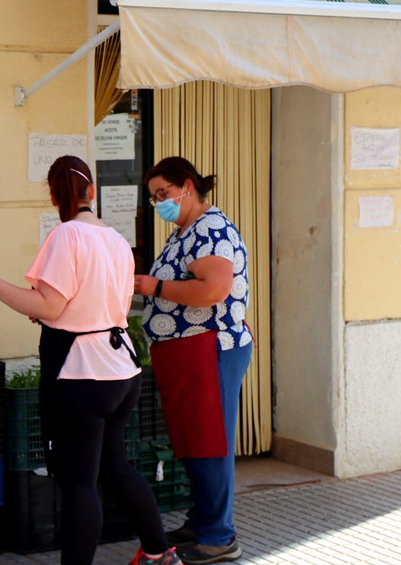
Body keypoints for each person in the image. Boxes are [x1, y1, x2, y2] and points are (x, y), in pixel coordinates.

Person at [0, 156, 181, 565]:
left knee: (79, 484)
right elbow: (106, 303)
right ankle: (161, 553)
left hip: (81, 374)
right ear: (92, 191)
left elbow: (50, 307)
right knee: (117, 468)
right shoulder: (116, 239)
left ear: (54, 195)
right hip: (123, 369)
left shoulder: (66, 235)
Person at [135, 156, 252, 565]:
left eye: (163, 194)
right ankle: (202, 521)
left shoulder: (212, 228)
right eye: (153, 198)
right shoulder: (187, 229)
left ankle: (219, 538)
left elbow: (213, 290)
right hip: (186, 351)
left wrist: (156, 286)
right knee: (193, 441)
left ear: (188, 186)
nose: (159, 203)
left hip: (208, 347)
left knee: (209, 443)